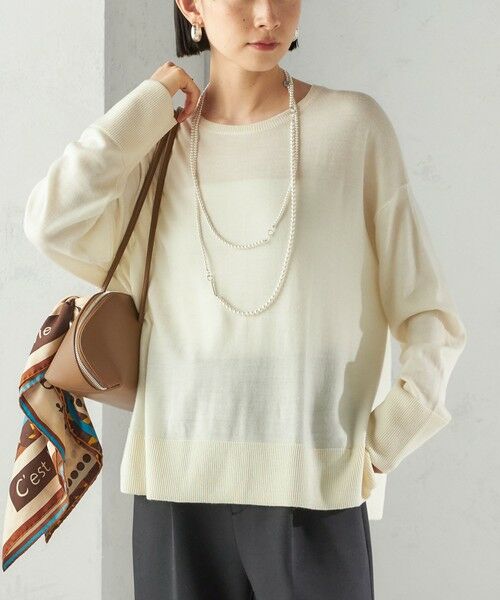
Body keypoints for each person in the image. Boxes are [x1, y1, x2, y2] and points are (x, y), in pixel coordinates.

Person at [22, 0, 467, 598]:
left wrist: (386, 440)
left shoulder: (353, 129)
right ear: (191, 5)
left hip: (312, 486)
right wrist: (149, 102)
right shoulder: (158, 147)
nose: (266, 15)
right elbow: (49, 221)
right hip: (174, 486)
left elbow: (429, 314)